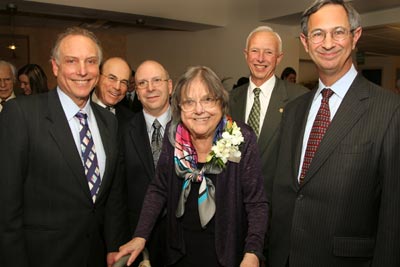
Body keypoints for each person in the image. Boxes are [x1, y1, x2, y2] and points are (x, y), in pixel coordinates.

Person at [269, 1, 400, 266]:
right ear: (305, 42)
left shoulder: (389, 110)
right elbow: (283, 192)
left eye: (338, 32)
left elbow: (393, 217)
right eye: (318, 34)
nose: (328, 43)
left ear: (355, 36)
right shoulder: (293, 111)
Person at [114, 66, 268, 267]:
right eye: (189, 102)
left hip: (226, 255)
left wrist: (253, 252)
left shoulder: (241, 138)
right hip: (180, 253)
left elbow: (256, 203)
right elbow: (159, 189)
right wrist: (140, 235)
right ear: (178, 107)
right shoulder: (174, 135)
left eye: (207, 99)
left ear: (221, 103)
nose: (199, 110)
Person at [0, 27, 128, 267]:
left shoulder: (108, 121)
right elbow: (6, 208)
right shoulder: (21, 114)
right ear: (55, 67)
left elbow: (113, 198)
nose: (82, 71)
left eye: (90, 62)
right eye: (72, 61)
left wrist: (114, 247)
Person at [229, 26, 308, 231]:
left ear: (279, 58)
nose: (261, 58)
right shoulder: (231, 99)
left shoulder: (299, 98)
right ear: (246, 55)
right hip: (235, 210)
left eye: (269, 52)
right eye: (255, 51)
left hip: (279, 214)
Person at [119, 60, 173, 267]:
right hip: (138, 237)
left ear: (170, 86)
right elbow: (118, 192)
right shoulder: (122, 131)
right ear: (136, 91)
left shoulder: (192, 126)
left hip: (184, 237)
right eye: (142, 83)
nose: (150, 88)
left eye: (156, 80)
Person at [92, 57, 134, 138]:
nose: (117, 87)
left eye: (123, 82)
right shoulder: (79, 110)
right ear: (97, 78)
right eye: (112, 78)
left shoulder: (131, 120)